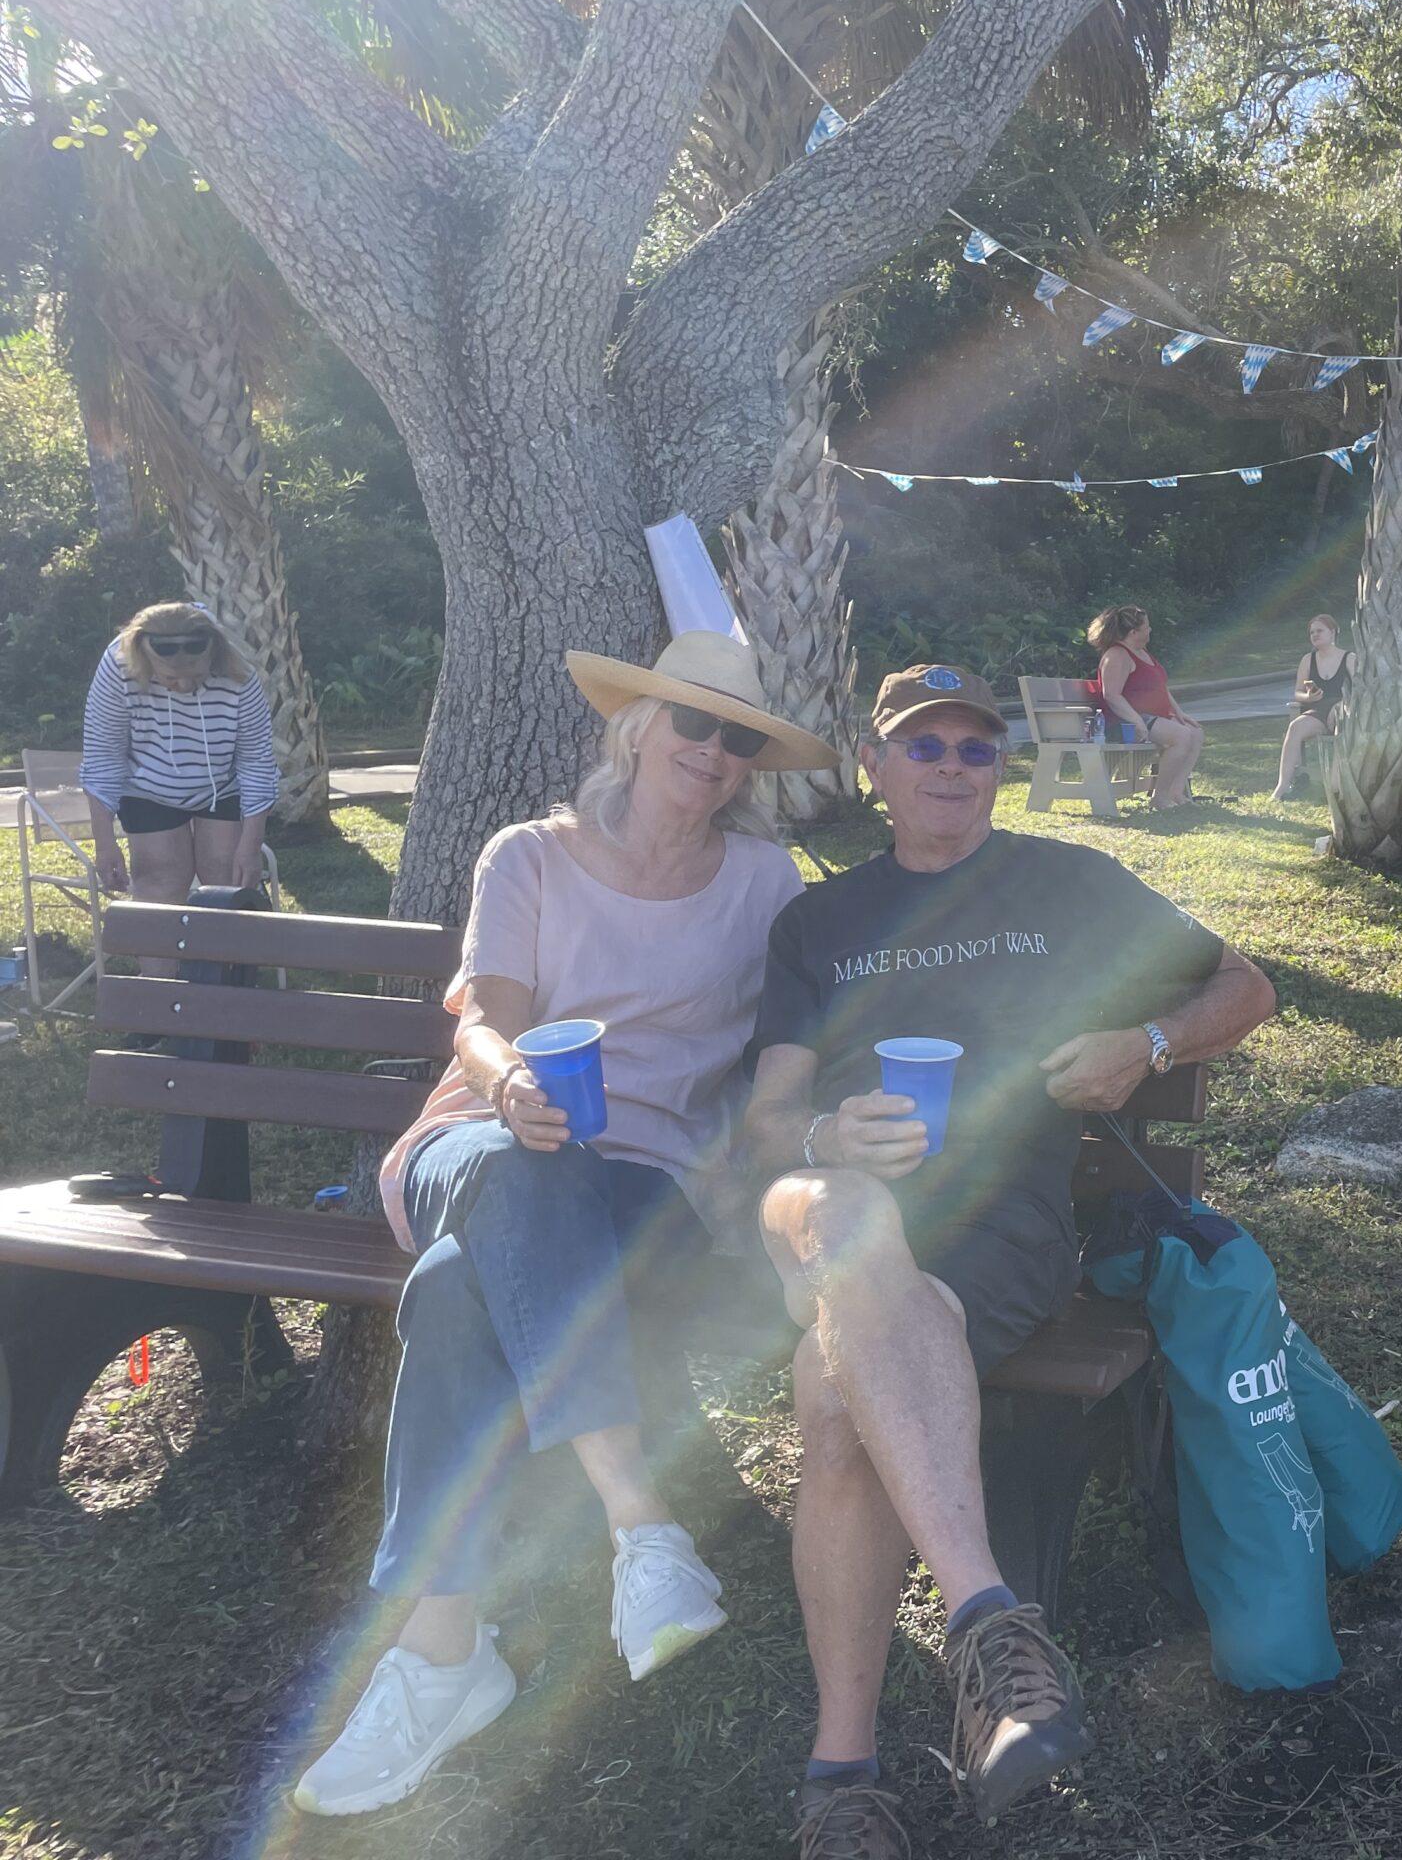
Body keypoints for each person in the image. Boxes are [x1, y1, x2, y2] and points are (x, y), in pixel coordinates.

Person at [289, 634, 835, 1818]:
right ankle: (641, 1523)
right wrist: (506, 1086)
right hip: (478, 1140)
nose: (713, 749)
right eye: (692, 721)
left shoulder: (764, 883)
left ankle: (443, 1653)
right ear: (636, 726)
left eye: (740, 736)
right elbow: (481, 1022)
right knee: (524, 1169)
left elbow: (794, 1040)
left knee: (452, 1288)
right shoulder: (529, 854)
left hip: (646, 1183)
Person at [743, 663, 1276, 1857]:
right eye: (921, 745)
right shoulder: (817, 922)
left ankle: (841, 1777)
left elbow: (1246, 987)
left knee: (834, 1388)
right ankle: (990, 1622)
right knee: (848, 1217)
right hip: (821, 1194)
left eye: (974, 747)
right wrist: (830, 1133)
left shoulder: (1066, 882)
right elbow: (766, 1125)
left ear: (999, 767)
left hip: (999, 1219)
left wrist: (1146, 1042)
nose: (950, 766)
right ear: (873, 767)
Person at [80, 602, 279, 939]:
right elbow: (104, 757)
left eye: (197, 676)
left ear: (213, 656)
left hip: (222, 784)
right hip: (147, 784)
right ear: (145, 659)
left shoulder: (238, 671)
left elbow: (256, 762)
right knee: (159, 877)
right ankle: (164, 972)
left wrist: (251, 845)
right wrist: (104, 842)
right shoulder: (118, 665)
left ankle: (227, 971)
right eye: (171, 678)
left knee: (228, 877)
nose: (185, 686)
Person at [1090, 604, 1205, 809]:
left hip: (1150, 718)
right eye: (1146, 627)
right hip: (1123, 721)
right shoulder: (1117, 655)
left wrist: (1179, 713)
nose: (1150, 630)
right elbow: (1112, 695)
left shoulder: (1142, 652)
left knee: (1195, 732)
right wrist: (1137, 722)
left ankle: (1176, 792)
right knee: (1181, 736)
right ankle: (1160, 798)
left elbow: (1161, 687)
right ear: (1133, 633)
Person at [1273, 613, 1356, 800]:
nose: (1315, 635)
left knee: (1341, 727)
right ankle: (1282, 787)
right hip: (1318, 710)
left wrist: (1342, 704)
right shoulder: (1308, 660)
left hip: (1344, 709)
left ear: (1332, 632)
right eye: (1312, 632)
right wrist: (1308, 697)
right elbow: (1298, 692)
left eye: (1320, 631)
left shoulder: (1349, 658)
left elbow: (1361, 690)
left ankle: (1335, 789)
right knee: (1295, 728)